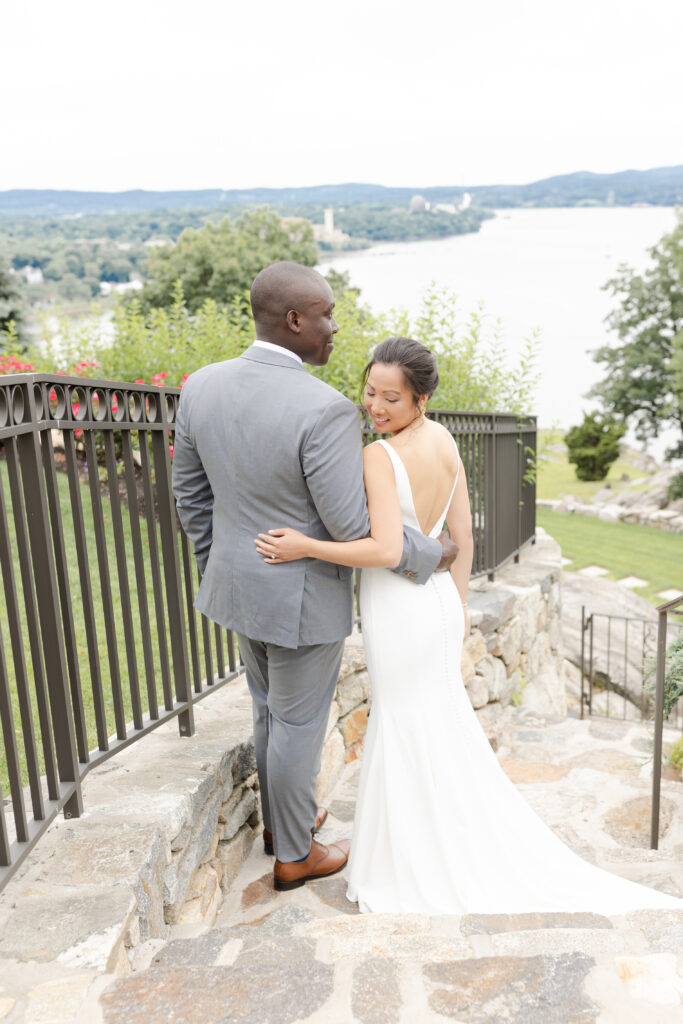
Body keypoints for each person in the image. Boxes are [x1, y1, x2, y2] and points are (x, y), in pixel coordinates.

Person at [255, 336, 683, 915]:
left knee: (404, 726)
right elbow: (464, 538)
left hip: (399, 607)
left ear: (421, 397)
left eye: (391, 398)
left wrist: (306, 544)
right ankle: (436, 842)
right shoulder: (445, 440)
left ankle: (407, 862)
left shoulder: (378, 457)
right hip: (435, 605)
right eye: (370, 392)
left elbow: (384, 550)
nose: (375, 407)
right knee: (432, 726)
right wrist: (455, 610)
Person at [172, 263, 457, 893]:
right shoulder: (324, 410)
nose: (335, 327)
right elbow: (354, 523)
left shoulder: (202, 385)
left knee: (269, 711)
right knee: (297, 724)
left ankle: (283, 825)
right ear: (295, 319)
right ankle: (295, 856)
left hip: (237, 587)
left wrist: (220, 565)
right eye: (327, 314)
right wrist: (431, 551)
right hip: (299, 597)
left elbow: (190, 498)